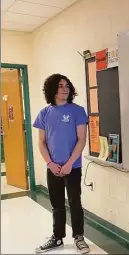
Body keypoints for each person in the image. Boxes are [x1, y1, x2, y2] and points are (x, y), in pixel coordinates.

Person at [33, 74, 90, 254]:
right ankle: (57, 238)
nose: (65, 88)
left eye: (67, 86)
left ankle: (78, 237)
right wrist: (50, 163)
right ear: (52, 89)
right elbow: (41, 142)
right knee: (56, 204)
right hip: (53, 167)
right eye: (60, 86)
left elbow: (82, 140)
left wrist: (69, 163)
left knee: (75, 202)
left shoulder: (77, 111)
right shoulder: (44, 113)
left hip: (72, 167)